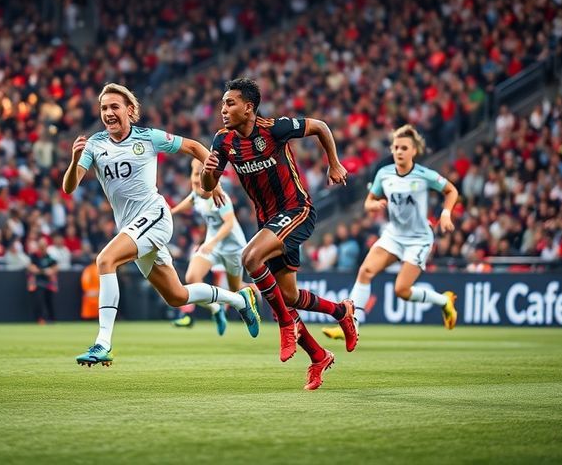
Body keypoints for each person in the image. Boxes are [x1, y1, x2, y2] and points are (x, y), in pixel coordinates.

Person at [62, 83, 260, 367]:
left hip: (154, 216)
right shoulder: (94, 144)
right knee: (177, 296)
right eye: (104, 108)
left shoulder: (148, 137)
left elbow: (193, 146)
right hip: (131, 228)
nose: (108, 113)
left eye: (114, 107)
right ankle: (241, 301)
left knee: (105, 260)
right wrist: (73, 160)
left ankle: (102, 343)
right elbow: (70, 187)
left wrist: (213, 177)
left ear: (130, 110)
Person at [201, 78, 356, 391]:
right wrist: (208, 171)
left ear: (249, 107)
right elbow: (207, 186)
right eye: (222, 104)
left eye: (230, 103)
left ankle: (287, 324)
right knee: (288, 296)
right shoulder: (223, 141)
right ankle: (332, 330)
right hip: (268, 222)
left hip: (297, 210)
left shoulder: (274, 129)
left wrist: (334, 164)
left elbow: (321, 126)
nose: (224, 110)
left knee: (250, 258)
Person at [322, 124, 460, 343]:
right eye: (396, 147)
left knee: (402, 290)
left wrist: (445, 213)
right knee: (365, 271)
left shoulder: (424, 175)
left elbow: (451, 190)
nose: (399, 152)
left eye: (404, 148)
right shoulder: (384, 174)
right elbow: (368, 202)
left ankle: (444, 301)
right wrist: (374, 206)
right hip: (394, 235)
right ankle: (352, 325)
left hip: (418, 239)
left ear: (414, 151)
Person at [169, 159, 249, 335]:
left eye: (200, 174)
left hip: (232, 248)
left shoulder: (220, 196)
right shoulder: (197, 193)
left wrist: (212, 242)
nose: (196, 179)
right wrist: (171, 211)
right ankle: (216, 308)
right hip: (211, 246)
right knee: (192, 277)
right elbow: (190, 201)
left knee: (236, 289)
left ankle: (255, 292)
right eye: (194, 173)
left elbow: (229, 223)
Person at [27, 237, 59, 323]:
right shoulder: (34, 256)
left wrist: (51, 270)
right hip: (37, 283)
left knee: (49, 301)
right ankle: (40, 319)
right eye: (41, 246)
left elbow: (56, 267)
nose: (42, 248)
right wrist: (42, 271)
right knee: (39, 301)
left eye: (44, 246)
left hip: (48, 283)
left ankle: (51, 319)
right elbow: (31, 267)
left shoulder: (49, 257)